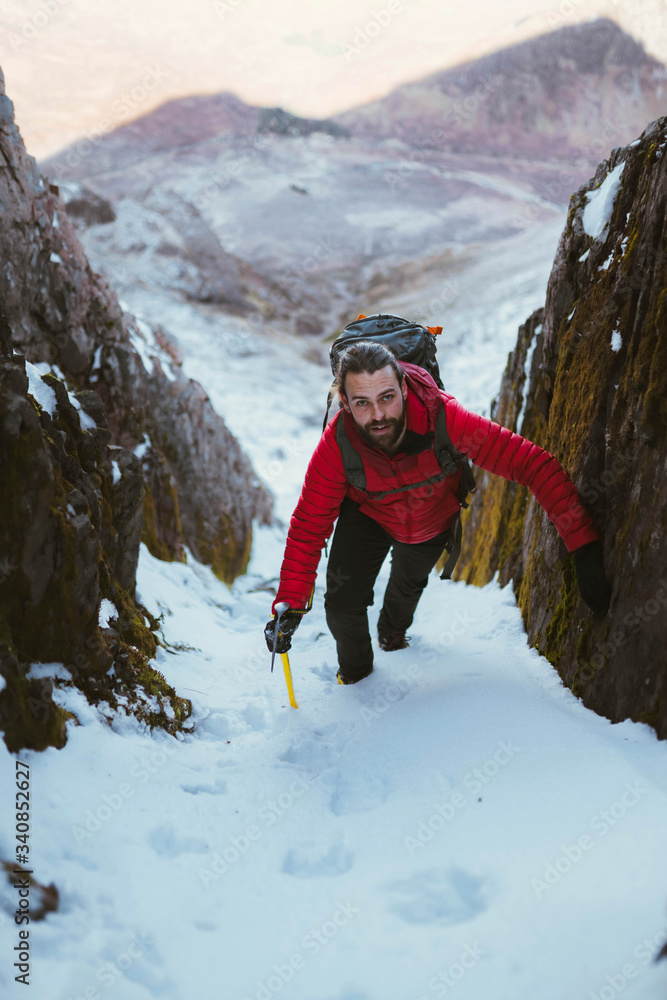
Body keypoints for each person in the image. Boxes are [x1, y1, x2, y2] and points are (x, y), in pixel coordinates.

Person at [264, 339, 612, 684]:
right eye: (362, 403)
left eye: (387, 397)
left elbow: (531, 464)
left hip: (431, 521)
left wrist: (583, 545)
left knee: (406, 589)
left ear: (403, 386)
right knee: (341, 608)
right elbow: (309, 525)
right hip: (368, 516)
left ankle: (392, 634)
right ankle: (358, 680)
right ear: (345, 403)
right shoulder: (337, 444)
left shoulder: (444, 418)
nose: (379, 415)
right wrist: (290, 604)